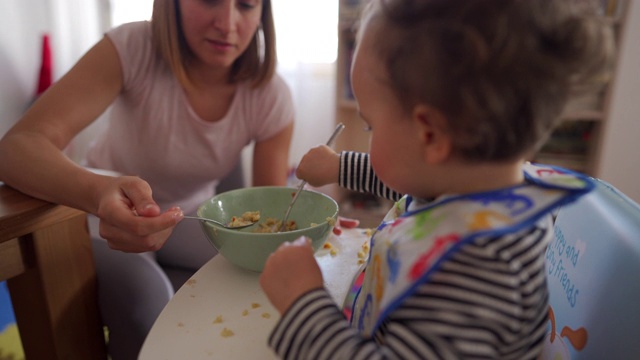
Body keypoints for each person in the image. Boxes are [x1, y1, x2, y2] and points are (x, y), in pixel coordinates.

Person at [259, 0, 610, 358]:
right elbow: (416, 184)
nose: (368, 134)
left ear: (430, 135)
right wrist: (339, 167)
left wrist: (303, 305)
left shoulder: (473, 274)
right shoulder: (487, 186)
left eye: (371, 126)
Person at [0, 0, 293, 358]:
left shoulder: (271, 95)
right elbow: (16, 148)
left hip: (189, 217)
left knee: (261, 276)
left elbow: (272, 220)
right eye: (210, 0)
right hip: (100, 215)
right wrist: (99, 192)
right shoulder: (133, 46)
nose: (228, 23)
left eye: (246, 5)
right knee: (145, 300)